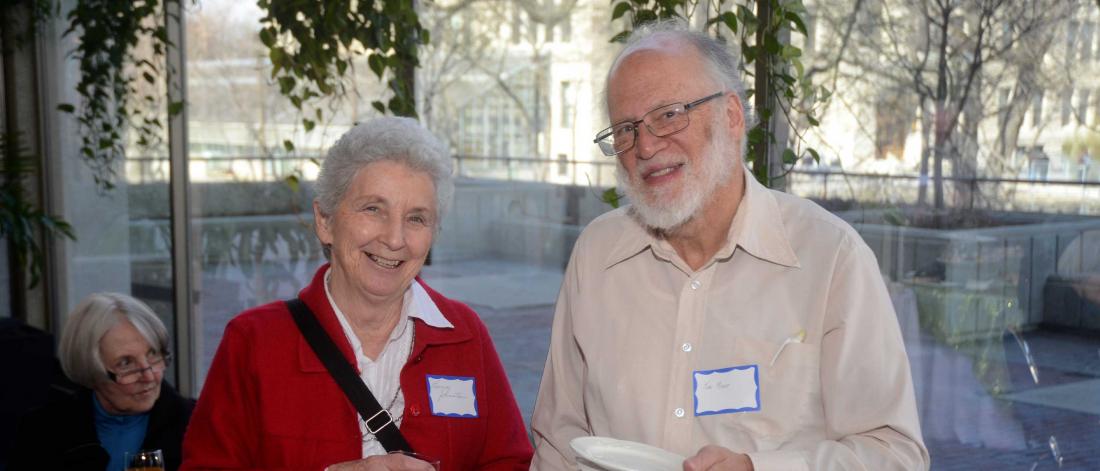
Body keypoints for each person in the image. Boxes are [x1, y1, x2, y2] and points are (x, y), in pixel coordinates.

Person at [530, 21, 929, 471]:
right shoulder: (597, 256)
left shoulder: (830, 256)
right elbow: (558, 440)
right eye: (625, 128)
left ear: (732, 116)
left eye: (668, 114)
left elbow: (893, 454)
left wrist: (759, 468)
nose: (644, 146)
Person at [181, 117, 533, 470]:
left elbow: (510, 463)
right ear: (325, 221)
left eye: (416, 218)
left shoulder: (464, 334)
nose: (395, 239)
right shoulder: (254, 342)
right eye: (373, 209)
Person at [7, 293, 194, 471]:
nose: (149, 377)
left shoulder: (198, 425)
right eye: (126, 363)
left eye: (153, 354)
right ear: (91, 371)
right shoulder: (42, 432)